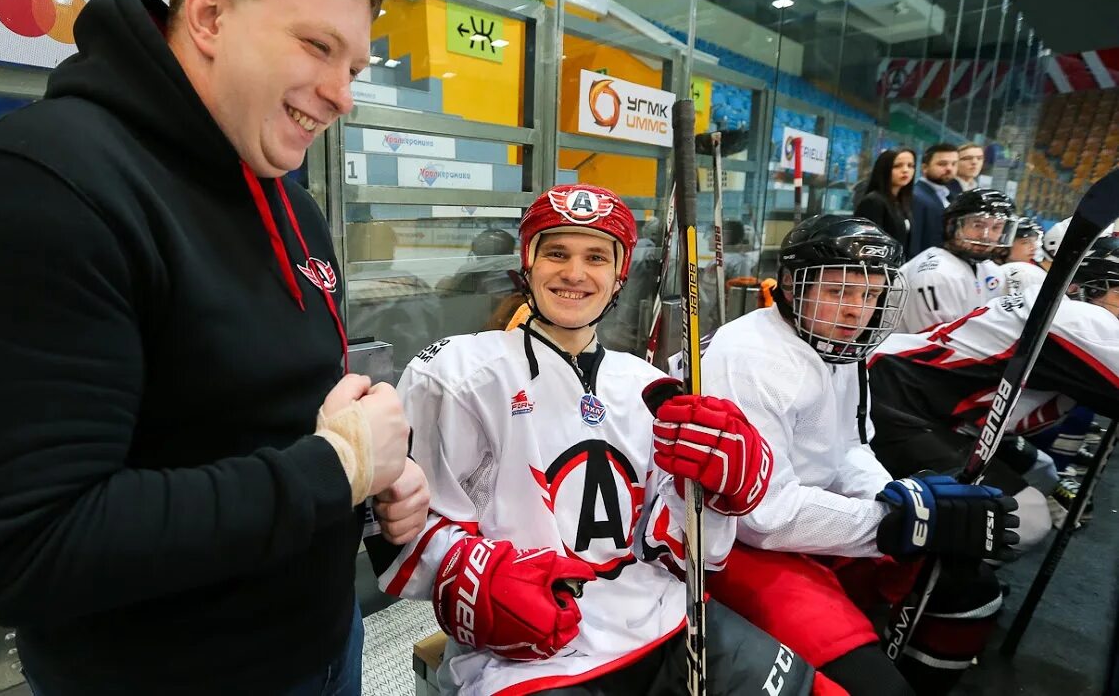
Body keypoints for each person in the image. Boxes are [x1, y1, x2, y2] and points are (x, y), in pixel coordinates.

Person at [0, 0, 430, 694]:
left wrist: (372, 482)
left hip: (324, 646)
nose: (342, 95)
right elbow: (22, 549)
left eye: (357, 68)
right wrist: (334, 470)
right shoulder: (37, 187)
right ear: (207, 15)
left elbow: (262, 415)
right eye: (317, 46)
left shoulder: (289, 205)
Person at [378, 184, 829, 695]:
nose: (574, 273)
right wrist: (472, 577)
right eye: (556, 253)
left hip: (666, 623)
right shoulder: (457, 375)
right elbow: (405, 535)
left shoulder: (646, 385)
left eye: (595, 256)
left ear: (618, 275)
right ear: (527, 264)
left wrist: (717, 497)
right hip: (529, 656)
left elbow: (679, 555)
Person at [699, 214, 1020, 696]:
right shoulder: (748, 357)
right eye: (839, 292)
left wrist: (897, 498)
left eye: (870, 296)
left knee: (967, 588)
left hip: (808, 521)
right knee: (871, 682)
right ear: (791, 286)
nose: (856, 312)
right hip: (733, 545)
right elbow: (760, 516)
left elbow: (849, 445)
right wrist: (892, 522)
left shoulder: (838, 346)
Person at [870, 238, 1119, 535]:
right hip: (900, 404)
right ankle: (928, 573)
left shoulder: (1060, 306)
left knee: (1043, 471)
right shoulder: (1079, 318)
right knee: (1026, 519)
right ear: (1083, 288)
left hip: (938, 405)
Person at [898, 188, 1017, 333]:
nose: (986, 236)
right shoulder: (933, 275)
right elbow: (931, 346)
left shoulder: (990, 270)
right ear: (951, 226)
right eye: (977, 225)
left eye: (997, 227)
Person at [853, 148, 915, 246]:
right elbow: (869, 244)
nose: (905, 170)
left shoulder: (902, 201)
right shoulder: (874, 201)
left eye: (910, 166)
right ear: (884, 169)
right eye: (897, 166)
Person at [909, 143, 960, 258]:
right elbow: (914, 243)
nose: (949, 168)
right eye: (942, 164)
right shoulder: (916, 196)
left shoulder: (951, 196)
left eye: (954, 164)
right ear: (924, 168)